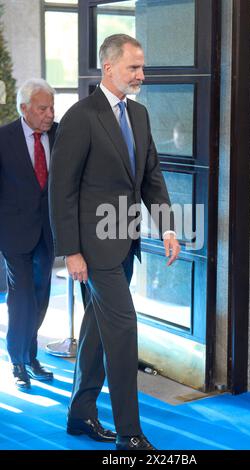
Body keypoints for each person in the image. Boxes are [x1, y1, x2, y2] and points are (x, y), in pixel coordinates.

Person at [49, 34, 181, 451]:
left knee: (95, 329)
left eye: (142, 67)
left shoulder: (139, 115)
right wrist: (71, 250)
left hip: (126, 243)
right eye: (134, 68)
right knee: (123, 332)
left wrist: (168, 227)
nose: (141, 75)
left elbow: (151, 177)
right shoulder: (81, 116)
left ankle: (79, 413)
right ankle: (130, 434)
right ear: (109, 68)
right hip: (92, 250)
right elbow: (61, 189)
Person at [0, 79, 57, 390]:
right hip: (13, 233)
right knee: (20, 298)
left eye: (51, 107)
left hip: (47, 232)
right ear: (24, 109)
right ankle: (17, 360)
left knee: (40, 297)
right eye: (42, 108)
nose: (49, 114)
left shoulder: (59, 135)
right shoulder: (4, 138)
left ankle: (31, 355)